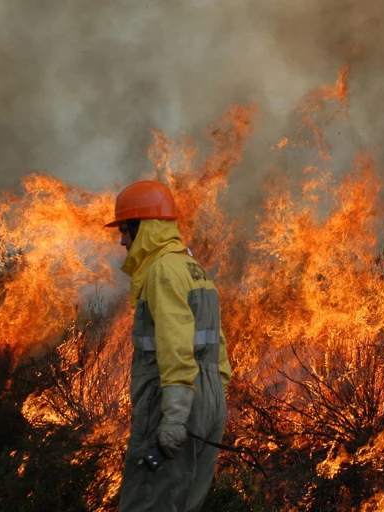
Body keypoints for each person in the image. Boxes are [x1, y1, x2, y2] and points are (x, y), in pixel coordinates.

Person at [106, 180, 232, 512]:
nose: (121, 241)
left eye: (124, 230)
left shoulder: (162, 271)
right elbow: (217, 344)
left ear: (143, 227)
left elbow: (176, 347)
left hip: (173, 398)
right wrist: (213, 400)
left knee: (147, 502)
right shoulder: (195, 270)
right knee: (186, 502)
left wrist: (175, 416)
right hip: (209, 400)